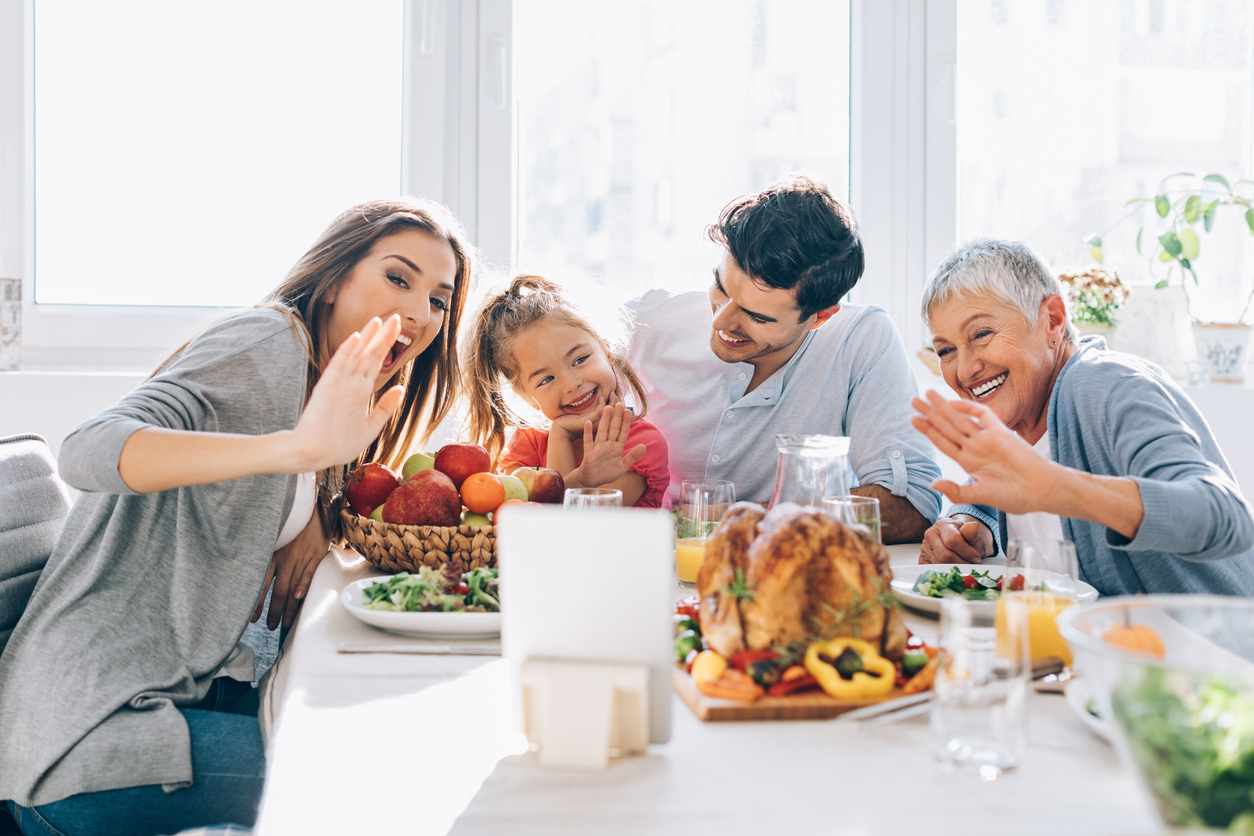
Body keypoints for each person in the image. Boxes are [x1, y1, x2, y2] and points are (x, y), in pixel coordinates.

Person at [0, 198, 474, 836]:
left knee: (401, 734)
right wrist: (295, 452)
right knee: (379, 783)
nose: (420, 314)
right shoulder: (267, 341)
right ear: (332, 281)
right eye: (398, 278)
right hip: (84, 745)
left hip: (168, 700)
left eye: (439, 300)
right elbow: (87, 450)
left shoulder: (326, 387)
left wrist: (319, 512)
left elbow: (272, 489)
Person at [911, 238, 1254, 596]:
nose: (965, 369)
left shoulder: (1108, 385)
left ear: (1053, 321)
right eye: (946, 350)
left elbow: (1225, 515)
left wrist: (1060, 490)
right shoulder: (1017, 419)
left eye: (982, 334)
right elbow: (998, 492)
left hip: (1206, 646)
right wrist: (968, 525)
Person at [625, 175, 941, 542]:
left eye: (757, 317)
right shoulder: (647, 321)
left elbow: (912, 506)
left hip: (787, 580)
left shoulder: (860, 340)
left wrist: (750, 522)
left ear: (821, 316)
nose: (721, 320)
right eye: (721, 288)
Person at [464, 275, 670, 508]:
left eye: (580, 359)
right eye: (546, 379)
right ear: (527, 397)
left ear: (607, 349)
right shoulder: (528, 443)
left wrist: (566, 453)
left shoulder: (642, 444)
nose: (570, 385)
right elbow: (528, 526)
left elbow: (578, 530)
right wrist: (561, 436)